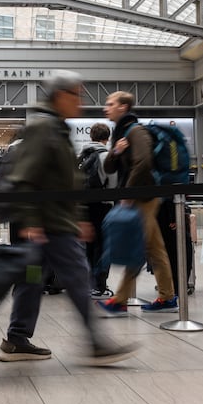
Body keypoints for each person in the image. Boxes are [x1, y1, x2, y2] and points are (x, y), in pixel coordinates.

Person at [0, 70, 136, 365]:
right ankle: (97, 343)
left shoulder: (55, 128)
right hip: (50, 227)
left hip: (53, 226)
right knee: (76, 278)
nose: (81, 101)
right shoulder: (43, 128)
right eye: (77, 94)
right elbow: (26, 178)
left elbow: (65, 180)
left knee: (32, 280)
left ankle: (16, 339)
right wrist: (34, 222)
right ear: (61, 95)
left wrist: (80, 217)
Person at [97, 91, 178, 316]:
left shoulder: (137, 131)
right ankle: (167, 296)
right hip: (138, 196)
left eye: (110, 104)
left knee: (140, 245)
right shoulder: (121, 134)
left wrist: (129, 192)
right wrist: (116, 151)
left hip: (143, 197)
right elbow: (109, 168)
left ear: (123, 107)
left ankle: (120, 299)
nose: (106, 108)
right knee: (153, 248)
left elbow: (143, 162)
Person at [78, 122, 116, 299]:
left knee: (88, 246)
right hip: (103, 206)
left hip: (84, 206)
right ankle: (100, 286)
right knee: (102, 247)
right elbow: (113, 184)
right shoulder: (105, 156)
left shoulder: (82, 155)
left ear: (91, 136)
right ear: (107, 138)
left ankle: (86, 284)